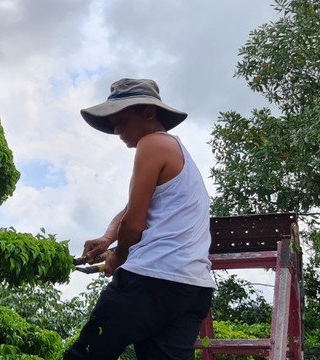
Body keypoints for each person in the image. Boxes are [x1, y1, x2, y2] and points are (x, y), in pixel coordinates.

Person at [63, 78, 216, 359]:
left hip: (152, 280)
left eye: (121, 120)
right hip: (193, 288)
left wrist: (118, 258)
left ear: (148, 113)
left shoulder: (152, 143)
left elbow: (134, 224)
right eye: (112, 123)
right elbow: (131, 208)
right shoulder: (178, 152)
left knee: (87, 354)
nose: (116, 129)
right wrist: (108, 238)